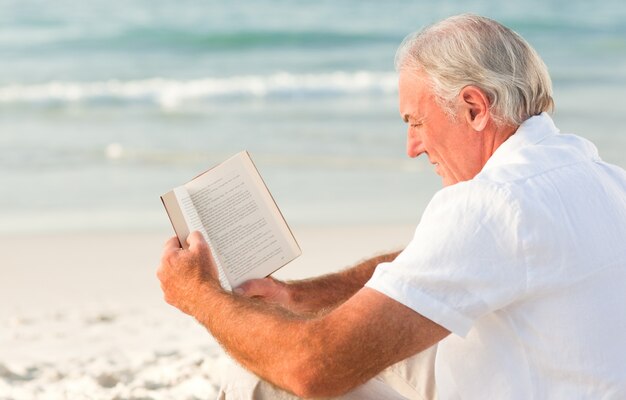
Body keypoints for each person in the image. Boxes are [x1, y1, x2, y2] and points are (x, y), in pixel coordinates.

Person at [157, 13, 626, 399]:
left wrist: (199, 294)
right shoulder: (604, 179)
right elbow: (438, 259)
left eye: (416, 121)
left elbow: (311, 370)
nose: (412, 146)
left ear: (474, 108)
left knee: (261, 377)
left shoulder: (488, 205)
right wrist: (299, 297)